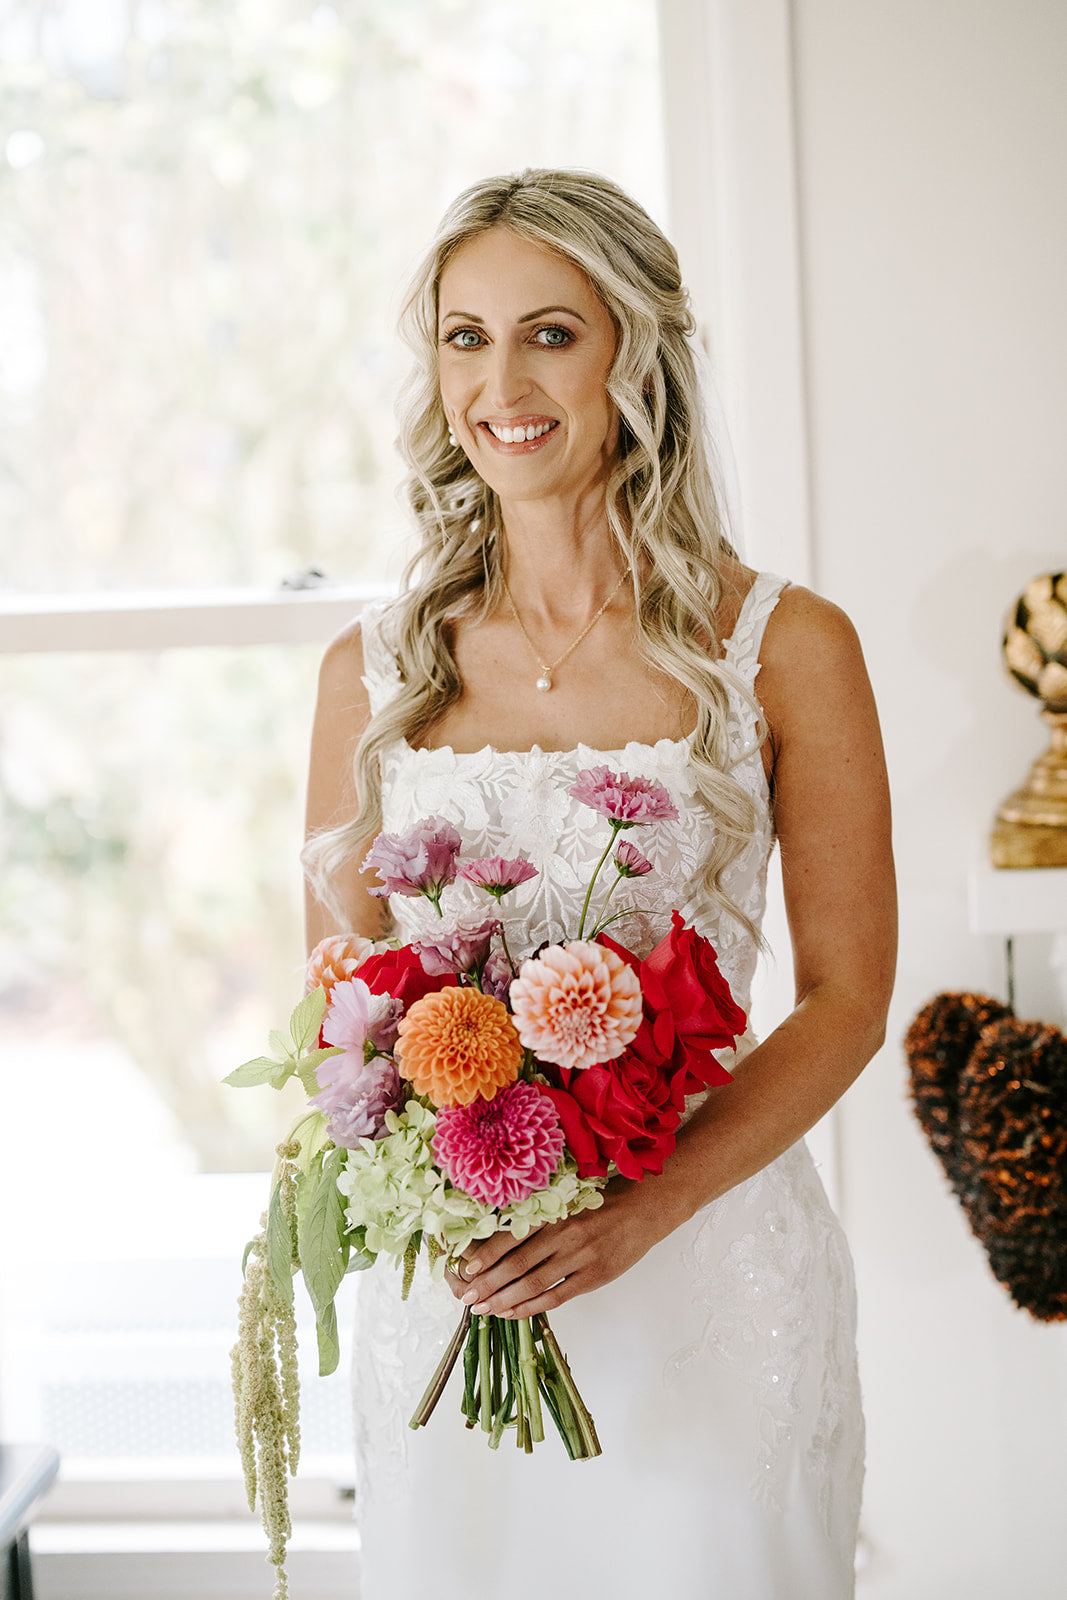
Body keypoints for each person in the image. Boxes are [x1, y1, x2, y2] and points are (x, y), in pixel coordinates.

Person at [303, 168, 895, 1600]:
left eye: (551, 333)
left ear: (636, 352)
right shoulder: (374, 676)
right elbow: (336, 1009)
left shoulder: (783, 644)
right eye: (465, 336)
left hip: (712, 1266)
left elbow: (847, 1001)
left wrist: (648, 1205)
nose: (500, 380)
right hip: (462, 1291)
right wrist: (430, 1184)